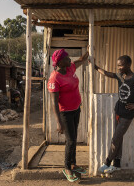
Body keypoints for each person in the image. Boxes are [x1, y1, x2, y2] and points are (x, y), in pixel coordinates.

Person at [94, 55, 134, 174]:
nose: (119, 68)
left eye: (121, 65)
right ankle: (117, 164)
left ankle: (107, 162)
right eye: (118, 65)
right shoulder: (120, 76)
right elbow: (106, 73)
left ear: (128, 65)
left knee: (115, 138)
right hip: (118, 110)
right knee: (119, 138)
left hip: (127, 113)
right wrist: (95, 66)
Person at [47, 48, 89, 182]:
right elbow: (54, 102)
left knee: (74, 139)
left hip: (76, 109)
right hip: (65, 113)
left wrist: (88, 49)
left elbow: (82, 60)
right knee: (70, 141)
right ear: (59, 62)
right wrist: (58, 122)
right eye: (66, 58)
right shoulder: (55, 78)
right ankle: (67, 168)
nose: (69, 59)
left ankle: (73, 164)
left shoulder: (70, 68)